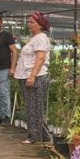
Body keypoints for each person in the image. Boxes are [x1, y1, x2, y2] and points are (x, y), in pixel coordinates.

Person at [14, 12, 51, 144]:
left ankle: (34, 137)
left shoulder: (40, 38)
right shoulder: (34, 38)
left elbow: (40, 58)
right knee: (33, 107)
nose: (28, 24)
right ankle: (45, 137)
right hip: (28, 76)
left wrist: (32, 76)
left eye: (31, 22)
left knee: (34, 108)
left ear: (40, 25)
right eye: (28, 22)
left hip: (35, 76)